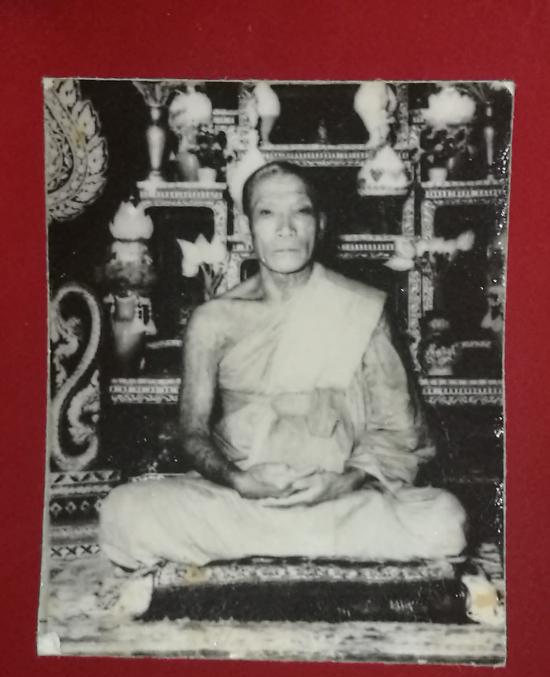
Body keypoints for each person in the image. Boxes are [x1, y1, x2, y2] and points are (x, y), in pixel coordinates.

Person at [99, 161, 467, 570]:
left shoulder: (360, 306)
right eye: (267, 213)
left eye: (300, 212)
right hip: (242, 496)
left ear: (320, 225)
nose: (286, 228)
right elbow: (192, 433)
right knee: (123, 512)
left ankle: (268, 544)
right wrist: (239, 480)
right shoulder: (214, 319)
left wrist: (344, 481)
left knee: (446, 519)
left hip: (339, 495)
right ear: (248, 227)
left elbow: (399, 432)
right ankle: (311, 543)